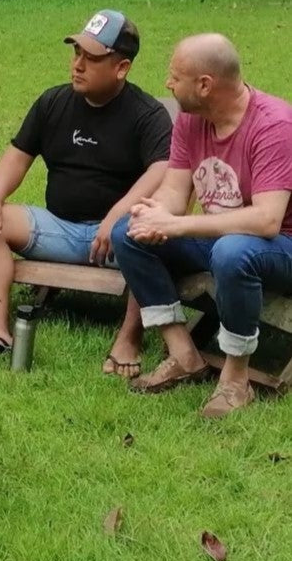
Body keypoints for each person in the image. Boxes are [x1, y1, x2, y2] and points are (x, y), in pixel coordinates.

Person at [0, 9, 172, 371]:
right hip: (58, 227)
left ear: (121, 67)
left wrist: (117, 214)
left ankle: (129, 338)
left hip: (116, 240)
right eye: (76, 52)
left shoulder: (147, 114)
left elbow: (163, 168)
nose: (77, 64)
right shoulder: (53, 102)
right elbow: (17, 156)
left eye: (91, 58)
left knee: (145, 234)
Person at [112, 33, 292, 417]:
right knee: (128, 233)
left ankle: (235, 380)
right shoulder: (191, 121)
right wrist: (154, 214)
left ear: (205, 85)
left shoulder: (274, 126)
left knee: (233, 250)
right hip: (222, 240)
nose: (168, 84)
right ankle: (183, 353)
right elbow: (174, 194)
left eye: (175, 76)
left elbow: (267, 220)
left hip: (279, 248)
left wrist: (176, 226)